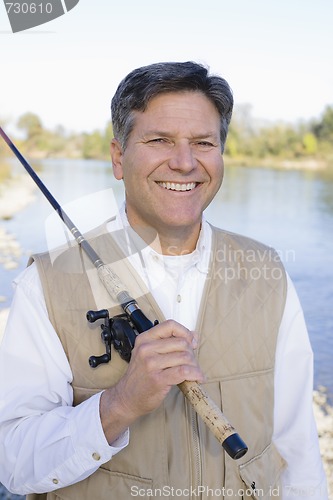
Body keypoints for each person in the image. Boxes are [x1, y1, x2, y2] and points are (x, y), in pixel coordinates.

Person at [0, 61, 328, 500]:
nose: (184, 162)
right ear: (119, 157)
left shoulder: (268, 271)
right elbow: (14, 465)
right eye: (159, 141)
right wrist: (118, 405)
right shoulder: (46, 284)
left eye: (203, 143)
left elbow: (298, 450)